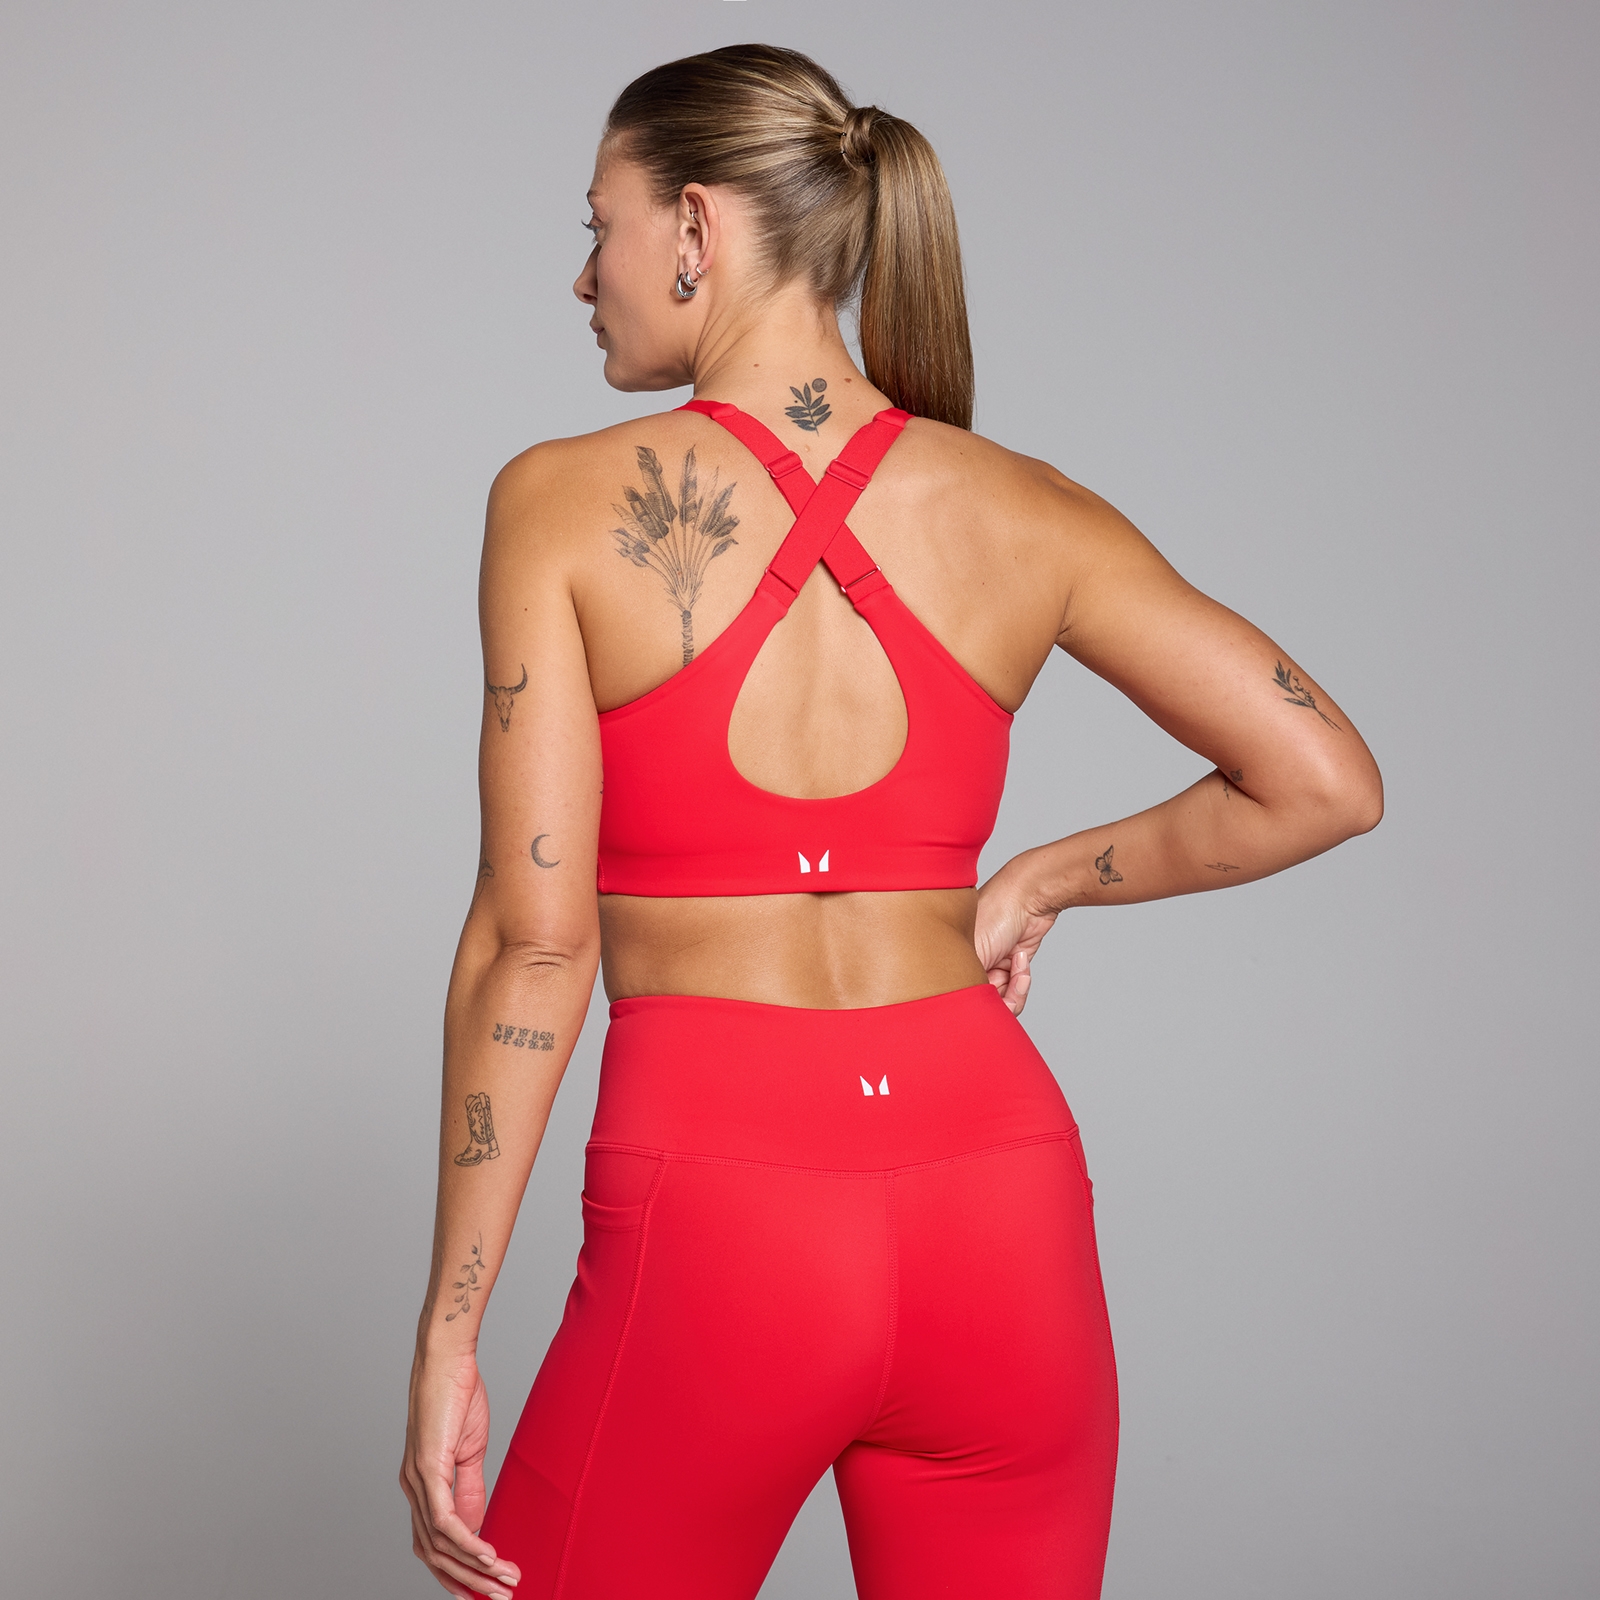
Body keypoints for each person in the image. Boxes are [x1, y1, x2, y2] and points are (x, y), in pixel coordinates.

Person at [399, 43, 1383, 1600]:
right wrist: (1044, 876)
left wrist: (450, 1338)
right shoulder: (1021, 504)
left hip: (725, 1222)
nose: (585, 276)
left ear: (696, 228)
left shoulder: (560, 501)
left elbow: (535, 949)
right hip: (1002, 1217)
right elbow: (1326, 777)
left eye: (600, 227)